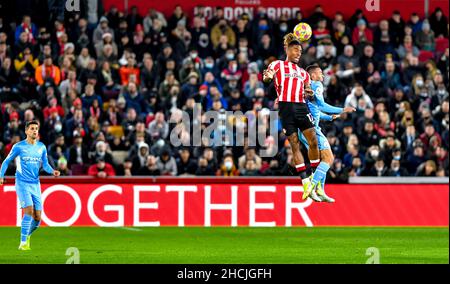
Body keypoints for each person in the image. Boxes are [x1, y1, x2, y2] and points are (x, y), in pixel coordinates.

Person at [262, 33, 320, 199]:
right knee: (294, 144)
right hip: (286, 107)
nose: (298, 53)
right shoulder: (278, 65)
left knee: (313, 141)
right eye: (295, 49)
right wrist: (267, 77)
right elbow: (267, 76)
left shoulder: (304, 73)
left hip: (301, 106)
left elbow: (309, 93)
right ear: (287, 50)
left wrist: (310, 93)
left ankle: (315, 178)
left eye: (300, 51)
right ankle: (305, 182)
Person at [0, 120, 60, 250]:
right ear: (26, 131)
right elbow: (6, 162)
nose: (34, 131)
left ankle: (27, 236)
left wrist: (52, 171)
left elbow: (45, 164)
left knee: (38, 218)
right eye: (32, 128)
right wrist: (1, 176)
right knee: (29, 211)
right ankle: (23, 243)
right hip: (22, 183)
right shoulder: (18, 147)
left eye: (36, 128)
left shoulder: (41, 147)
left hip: (35, 184)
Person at [300, 64, 356, 202]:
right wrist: (342, 109)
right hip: (312, 129)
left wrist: (329, 117)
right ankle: (311, 185)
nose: (323, 76)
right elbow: (322, 106)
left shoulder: (306, 88)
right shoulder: (317, 84)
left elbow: (315, 110)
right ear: (312, 76)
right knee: (329, 158)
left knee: (321, 159)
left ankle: (320, 189)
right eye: (320, 73)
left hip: (303, 129)